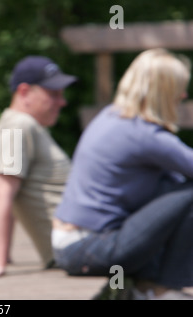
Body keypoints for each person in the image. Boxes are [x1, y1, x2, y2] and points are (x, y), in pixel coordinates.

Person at [52, 48, 193, 300]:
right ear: (164, 92)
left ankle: (145, 287)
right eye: (179, 88)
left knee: (171, 188)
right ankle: (160, 290)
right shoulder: (145, 135)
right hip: (87, 248)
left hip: (70, 244)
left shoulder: (110, 116)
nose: (183, 95)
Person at [0, 55, 77, 279]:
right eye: (53, 94)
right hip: (75, 249)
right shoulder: (17, 125)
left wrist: (2, 255)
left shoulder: (28, 126)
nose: (62, 101)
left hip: (76, 245)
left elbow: (13, 193)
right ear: (24, 92)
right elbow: (2, 195)